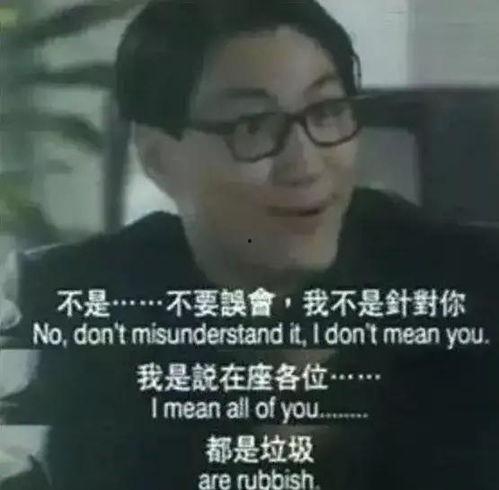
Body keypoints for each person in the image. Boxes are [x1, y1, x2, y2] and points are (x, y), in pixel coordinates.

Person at [1, 0, 498, 488]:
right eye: (252, 125)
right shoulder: (72, 302)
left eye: (327, 111)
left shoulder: (471, 283)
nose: (305, 165)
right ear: (158, 158)